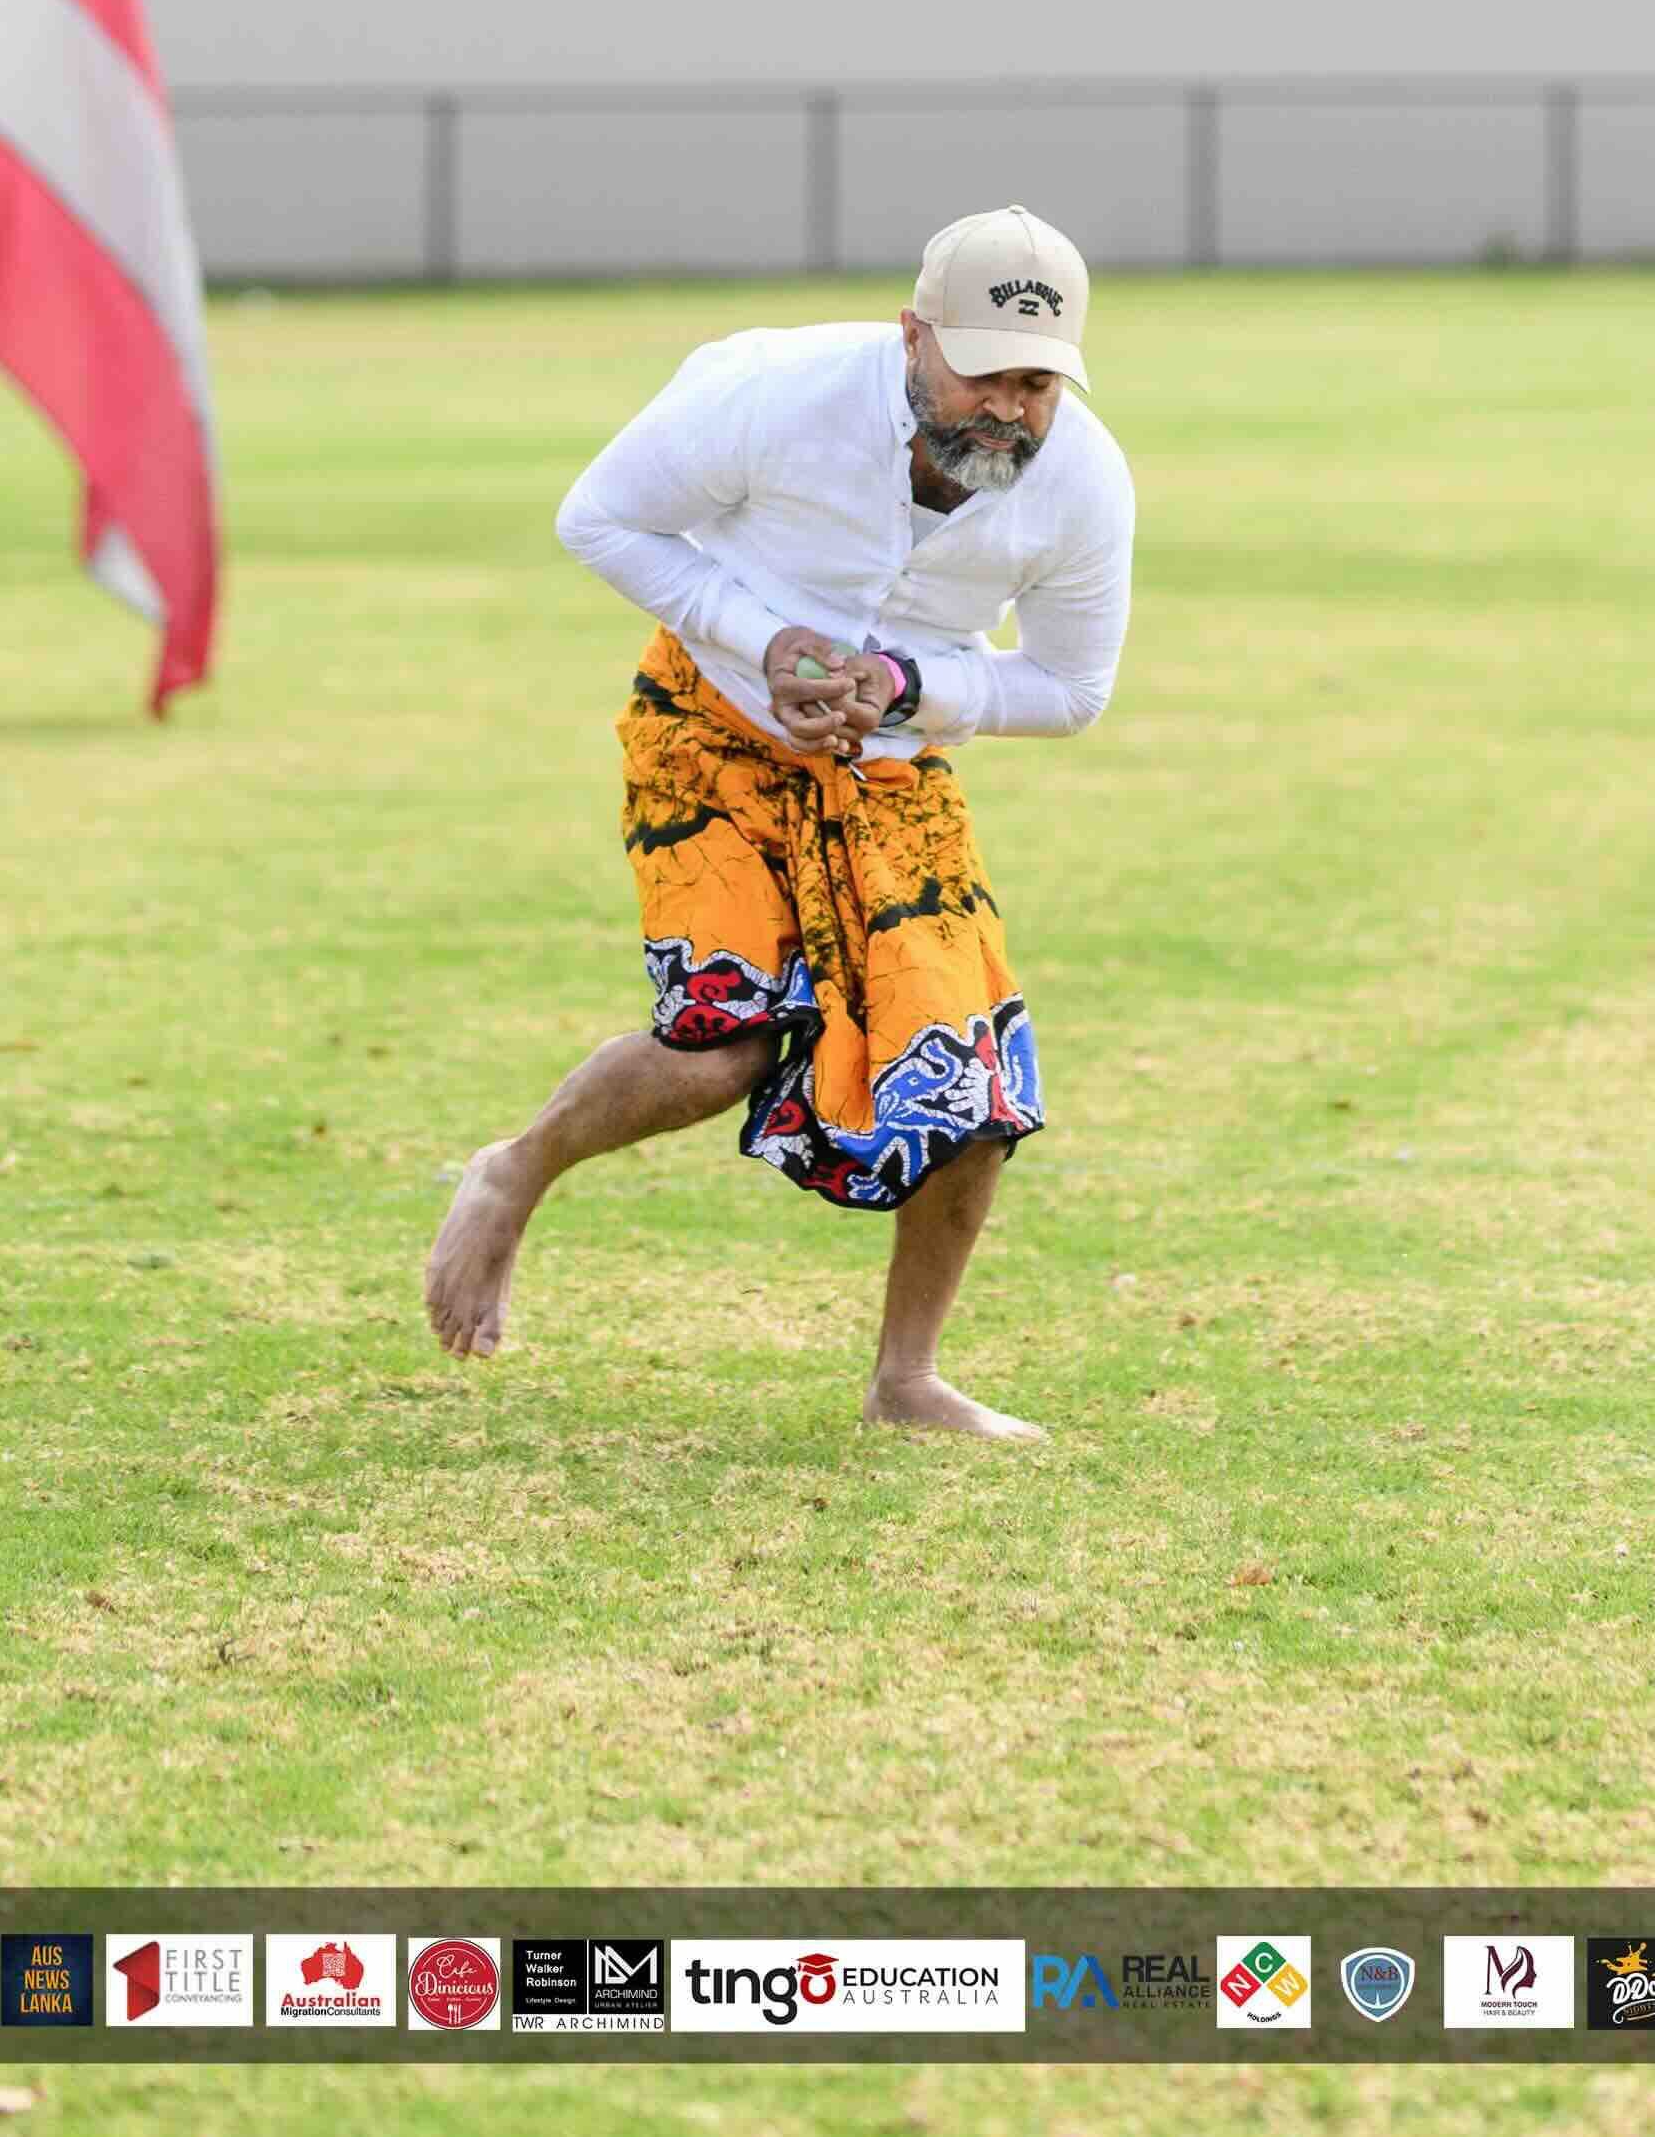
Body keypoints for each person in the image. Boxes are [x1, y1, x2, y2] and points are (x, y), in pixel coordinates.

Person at [422, 205, 1134, 1438]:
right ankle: (513, 1169)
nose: (1009, 409)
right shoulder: (770, 387)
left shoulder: (1081, 482)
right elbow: (598, 517)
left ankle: (904, 1383)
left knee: (966, 1080)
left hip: (891, 771)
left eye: (1036, 382)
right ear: (912, 336)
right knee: (725, 1039)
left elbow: (1070, 688)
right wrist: (768, 638)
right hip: (709, 724)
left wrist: (911, 688)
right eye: (985, 372)